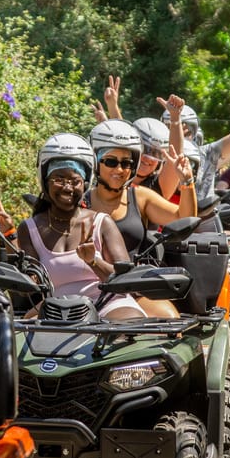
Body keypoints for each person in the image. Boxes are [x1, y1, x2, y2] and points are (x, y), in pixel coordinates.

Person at [0, 134, 146, 320]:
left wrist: (93, 260)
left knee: (128, 334)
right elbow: (29, 286)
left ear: (85, 183)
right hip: (59, 309)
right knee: (14, 339)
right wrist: (9, 235)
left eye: (75, 181)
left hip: (108, 303)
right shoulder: (29, 228)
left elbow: (126, 282)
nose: (67, 188)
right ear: (45, 181)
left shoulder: (101, 223)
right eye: (59, 179)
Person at [86, 120, 197, 318]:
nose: (119, 170)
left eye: (126, 163)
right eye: (111, 161)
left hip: (131, 287)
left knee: (170, 320)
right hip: (83, 286)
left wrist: (187, 181)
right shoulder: (79, 201)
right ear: (94, 161)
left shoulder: (140, 196)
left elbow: (184, 218)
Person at [160, 75, 230, 200]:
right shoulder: (156, 161)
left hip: (205, 217)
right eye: (172, 130)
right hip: (169, 217)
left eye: (185, 132)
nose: (180, 138)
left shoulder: (207, 153)